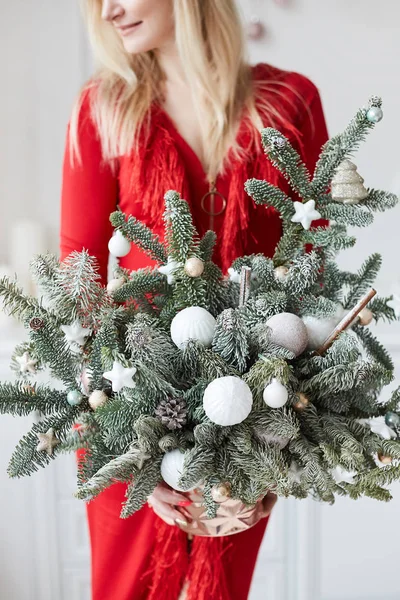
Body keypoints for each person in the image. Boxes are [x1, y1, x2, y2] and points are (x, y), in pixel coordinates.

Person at [59, 1, 329, 599]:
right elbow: (76, 279)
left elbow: (314, 278)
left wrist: (281, 437)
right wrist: (127, 450)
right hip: (124, 412)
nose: (109, 10)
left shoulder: (291, 105)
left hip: (249, 418)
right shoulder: (105, 110)